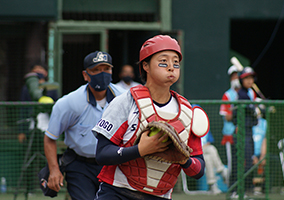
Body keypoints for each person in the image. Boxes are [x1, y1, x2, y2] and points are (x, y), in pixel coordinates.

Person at [92, 35, 208, 200]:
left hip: (159, 195)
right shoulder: (126, 101)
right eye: (163, 61)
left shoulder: (187, 111)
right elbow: (102, 154)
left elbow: (199, 170)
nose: (171, 67)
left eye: (176, 63)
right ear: (145, 65)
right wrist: (139, 150)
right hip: (117, 191)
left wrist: (184, 161)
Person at [43, 51, 125, 200]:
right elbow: (50, 138)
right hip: (80, 165)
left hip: (113, 165)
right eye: (96, 70)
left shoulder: (125, 98)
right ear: (85, 75)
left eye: (106, 69)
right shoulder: (70, 103)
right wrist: (54, 170)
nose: (102, 73)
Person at [18, 62, 58, 196]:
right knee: (29, 159)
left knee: (46, 159)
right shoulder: (26, 88)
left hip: (47, 129)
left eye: (40, 70)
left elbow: (57, 110)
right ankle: (29, 189)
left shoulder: (52, 88)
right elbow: (22, 109)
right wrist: (22, 131)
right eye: (35, 70)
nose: (38, 72)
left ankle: (47, 187)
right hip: (31, 127)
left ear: (46, 73)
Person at [231, 66, 259, 197]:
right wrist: (257, 109)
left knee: (249, 161)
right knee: (241, 163)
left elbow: (255, 113)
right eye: (246, 78)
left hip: (249, 132)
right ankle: (235, 191)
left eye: (251, 78)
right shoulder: (241, 94)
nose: (249, 80)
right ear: (241, 80)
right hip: (241, 133)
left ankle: (245, 191)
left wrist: (260, 108)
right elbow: (251, 110)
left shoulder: (249, 94)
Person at [219, 65, 241, 179]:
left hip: (244, 134)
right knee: (233, 163)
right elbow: (227, 117)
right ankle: (233, 189)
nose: (236, 79)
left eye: (237, 76)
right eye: (233, 77)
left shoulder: (248, 93)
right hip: (230, 134)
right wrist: (238, 110)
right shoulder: (228, 95)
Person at [201, 129, 228, 194]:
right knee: (210, 151)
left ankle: (212, 184)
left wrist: (204, 147)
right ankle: (222, 171)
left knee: (209, 156)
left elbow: (208, 142)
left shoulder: (205, 128)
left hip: (205, 150)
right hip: (196, 153)